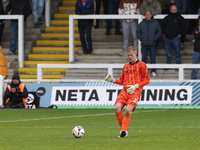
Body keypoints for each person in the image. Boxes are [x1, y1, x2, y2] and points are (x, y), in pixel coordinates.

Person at [105, 46, 150, 137]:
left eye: (131, 55)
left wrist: (136, 86)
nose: (129, 57)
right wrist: (113, 80)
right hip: (125, 92)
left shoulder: (142, 65)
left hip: (135, 92)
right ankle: (124, 131)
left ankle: (123, 131)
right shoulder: (125, 66)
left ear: (135, 54)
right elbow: (122, 81)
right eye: (128, 55)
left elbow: (147, 80)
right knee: (117, 107)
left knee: (128, 110)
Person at [137, 10, 162, 76]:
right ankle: (143, 72)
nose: (147, 16)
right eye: (146, 14)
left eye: (149, 14)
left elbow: (159, 32)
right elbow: (138, 32)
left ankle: (153, 71)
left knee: (153, 58)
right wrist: (141, 38)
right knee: (143, 59)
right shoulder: (142, 23)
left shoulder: (156, 23)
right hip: (144, 44)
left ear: (151, 15)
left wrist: (155, 39)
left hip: (153, 44)